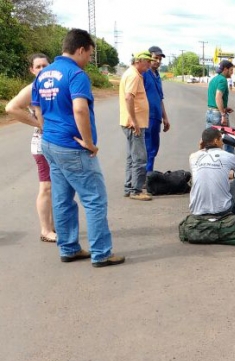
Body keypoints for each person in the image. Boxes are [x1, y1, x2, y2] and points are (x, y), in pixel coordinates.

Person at [31, 28, 124, 267]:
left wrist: (48, 130)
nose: (89, 59)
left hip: (49, 143)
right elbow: (80, 109)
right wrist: (89, 143)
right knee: (94, 199)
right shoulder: (75, 74)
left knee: (62, 200)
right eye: (89, 54)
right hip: (73, 146)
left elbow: (38, 110)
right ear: (80, 49)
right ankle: (102, 253)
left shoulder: (43, 74)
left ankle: (69, 248)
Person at [6, 53, 57, 243]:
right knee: (46, 187)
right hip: (41, 144)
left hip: (54, 142)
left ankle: (51, 226)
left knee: (54, 187)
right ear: (32, 70)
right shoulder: (32, 87)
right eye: (38, 67)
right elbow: (11, 108)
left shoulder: (51, 86)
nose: (43, 69)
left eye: (46, 65)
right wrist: (38, 124)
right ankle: (45, 230)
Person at [189, 127, 235, 216]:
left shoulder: (193, 157)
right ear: (216, 141)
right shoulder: (228, 156)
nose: (223, 142)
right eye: (221, 139)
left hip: (196, 211)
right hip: (221, 210)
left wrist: (201, 147)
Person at [119, 50, 153, 201]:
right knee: (140, 158)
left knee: (131, 157)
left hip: (132, 122)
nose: (149, 64)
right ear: (138, 61)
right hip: (134, 124)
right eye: (147, 61)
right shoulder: (133, 75)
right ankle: (136, 190)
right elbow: (128, 97)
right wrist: (134, 120)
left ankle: (129, 187)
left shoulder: (132, 74)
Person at [143, 45, 170, 172]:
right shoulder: (144, 73)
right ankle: (145, 176)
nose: (158, 61)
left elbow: (160, 99)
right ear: (149, 58)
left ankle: (149, 173)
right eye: (155, 58)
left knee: (154, 147)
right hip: (146, 117)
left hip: (156, 118)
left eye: (160, 59)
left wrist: (165, 117)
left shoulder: (157, 76)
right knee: (147, 147)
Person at [206, 60, 235, 154]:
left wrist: (225, 108)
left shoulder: (214, 79)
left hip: (209, 113)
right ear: (225, 69)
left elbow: (214, 99)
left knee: (210, 140)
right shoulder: (222, 80)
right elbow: (218, 97)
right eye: (231, 70)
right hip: (217, 115)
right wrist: (223, 114)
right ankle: (230, 164)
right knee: (228, 140)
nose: (232, 72)